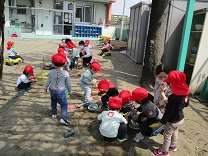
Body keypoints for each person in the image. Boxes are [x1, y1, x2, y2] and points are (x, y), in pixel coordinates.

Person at [154, 70, 190, 156]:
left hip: (172, 121)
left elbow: (168, 112)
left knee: (167, 135)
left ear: (172, 85)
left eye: (169, 83)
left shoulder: (173, 97)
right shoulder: (186, 93)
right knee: (175, 132)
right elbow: (186, 104)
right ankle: (173, 146)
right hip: (180, 118)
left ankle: (164, 151)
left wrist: (162, 122)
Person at [43, 53, 72, 125]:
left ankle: (54, 113)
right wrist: (70, 90)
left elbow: (48, 81)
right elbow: (68, 84)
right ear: (64, 63)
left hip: (52, 90)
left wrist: (45, 88)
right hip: (61, 92)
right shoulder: (66, 73)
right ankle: (64, 118)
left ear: (53, 63)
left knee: (53, 102)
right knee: (64, 104)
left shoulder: (52, 72)